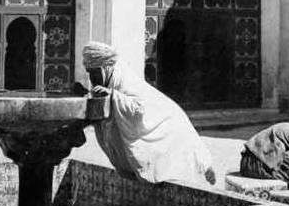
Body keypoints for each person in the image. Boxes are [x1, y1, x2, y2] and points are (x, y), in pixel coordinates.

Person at [82, 41, 217, 187]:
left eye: (94, 72)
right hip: (163, 117)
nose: (92, 78)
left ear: (105, 68)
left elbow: (139, 111)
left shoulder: (124, 80)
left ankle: (205, 169)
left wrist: (114, 96)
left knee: (180, 158)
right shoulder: (109, 80)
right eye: (89, 73)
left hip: (164, 121)